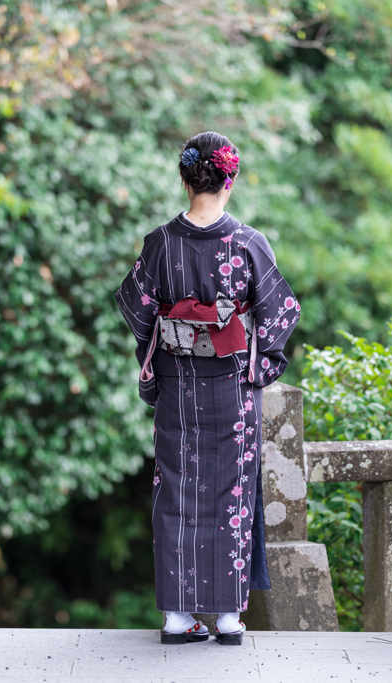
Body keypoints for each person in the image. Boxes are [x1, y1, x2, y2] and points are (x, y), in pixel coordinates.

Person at [115, 132, 300, 646]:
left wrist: (170, 340)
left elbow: (135, 308)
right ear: (230, 180)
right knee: (231, 495)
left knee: (175, 490)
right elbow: (280, 315)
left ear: (185, 178)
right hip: (233, 390)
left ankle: (177, 616)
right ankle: (227, 619)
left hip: (178, 388)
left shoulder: (161, 243)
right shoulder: (247, 243)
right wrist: (259, 369)